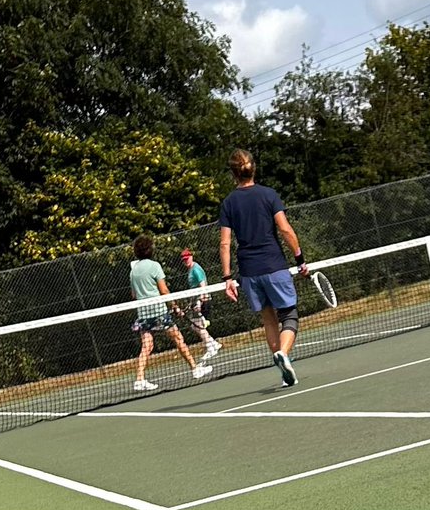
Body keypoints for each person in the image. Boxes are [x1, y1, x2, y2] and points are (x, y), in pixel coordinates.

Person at [218, 149, 309, 388]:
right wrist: (299, 259)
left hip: (249, 272)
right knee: (289, 315)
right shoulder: (269, 195)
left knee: (269, 319)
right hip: (274, 265)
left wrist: (227, 277)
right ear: (253, 169)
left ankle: (283, 371)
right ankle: (284, 355)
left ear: (233, 174)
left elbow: (225, 242)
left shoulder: (228, 203)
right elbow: (285, 229)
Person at [129, 234, 213, 391]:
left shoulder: (133, 272)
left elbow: (134, 295)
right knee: (178, 339)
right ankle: (195, 369)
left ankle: (139, 379)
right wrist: (174, 306)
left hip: (143, 314)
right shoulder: (155, 266)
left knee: (146, 346)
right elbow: (164, 290)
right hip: (159, 312)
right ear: (150, 250)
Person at [180, 248, 222, 361]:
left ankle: (210, 346)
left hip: (201, 299)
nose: (186, 261)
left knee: (197, 325)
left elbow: (202, 284)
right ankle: (213, 344)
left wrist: (201, 300)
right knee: (196, 325)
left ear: (191, 257)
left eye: (187, 259)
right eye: (184, 260)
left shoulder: (196, 269)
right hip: (195, 299)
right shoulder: (190, 270)